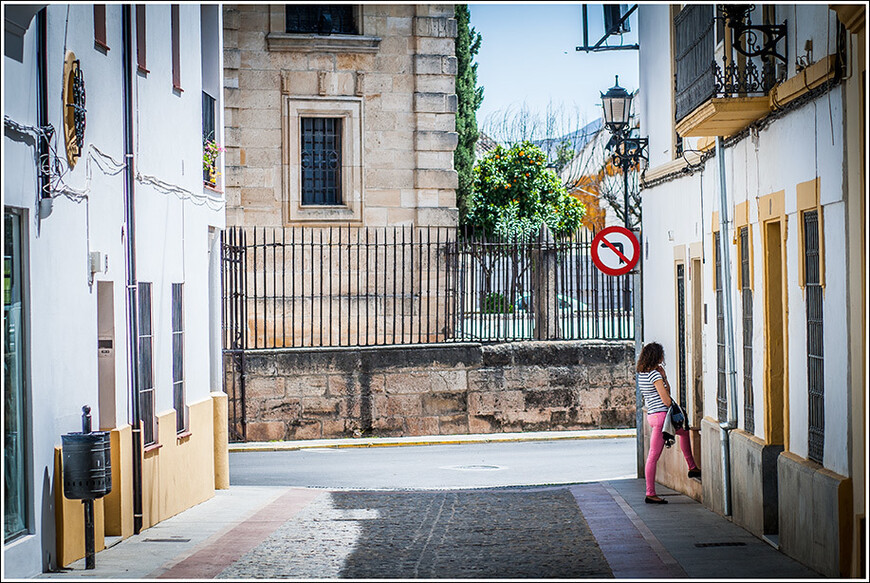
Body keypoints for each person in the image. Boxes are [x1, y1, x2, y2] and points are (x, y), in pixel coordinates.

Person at [637, 341, 701, 504]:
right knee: (653, 456)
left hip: (653, 416)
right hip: (662, 418)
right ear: (657, 356)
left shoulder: (642, 374)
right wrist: (663, 378)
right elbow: (666, 400)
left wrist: (664, 377)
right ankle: (650, 493)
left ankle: (692, 467)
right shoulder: (655, 375)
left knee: (685, 433)